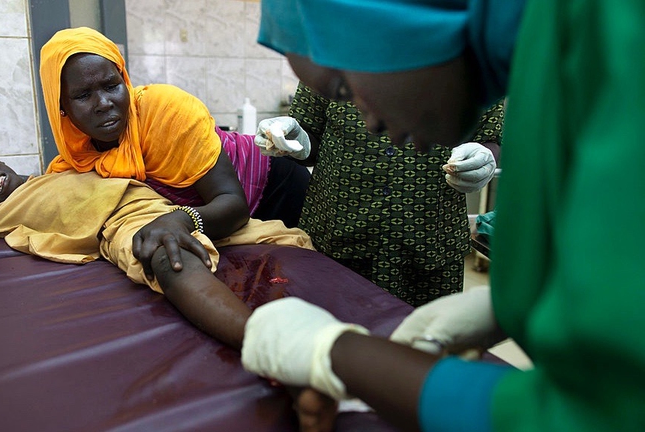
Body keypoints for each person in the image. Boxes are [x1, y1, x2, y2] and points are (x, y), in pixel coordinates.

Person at [240, 1, 645, 432]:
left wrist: (336, 355)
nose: (366, 120)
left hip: (427, 236)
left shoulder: (614, 31)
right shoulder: (542, 48)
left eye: (343, 86)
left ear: (401, 22)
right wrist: (513, 304)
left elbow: (607, 411)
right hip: (338, 228)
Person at [0, 154, 313, 350]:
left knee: (281, 235)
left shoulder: (52, 171)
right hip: (117, 225)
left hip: (161, 208)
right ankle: (270, 345)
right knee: (165, 255)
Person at [38, 27, 311, 283]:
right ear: (61, 106)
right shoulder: (76, 156)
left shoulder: (166, 112)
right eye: (83, 95)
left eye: (111, 85)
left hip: (276, 186)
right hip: (213, 212)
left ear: (124, 79)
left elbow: (232, 205)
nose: (104, 103)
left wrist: (180, 219)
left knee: (302, 278)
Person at [256, 83, 504, 306]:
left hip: (429, 241)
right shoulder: (332, 46)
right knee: (331, 344)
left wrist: (485, 157)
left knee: (421, 348)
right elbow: (309, 135)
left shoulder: (470, 53)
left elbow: (491, 136)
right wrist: (294, 140)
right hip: (334, 238)